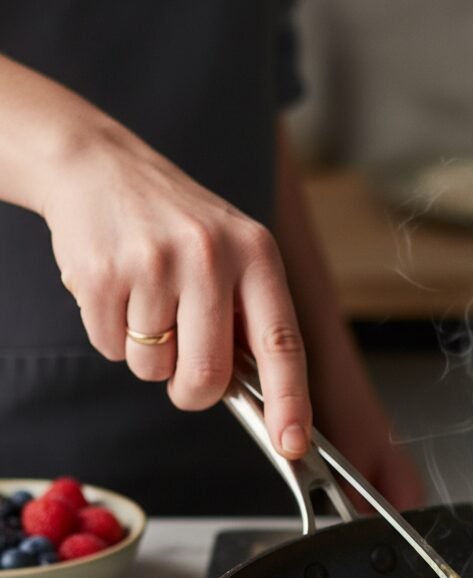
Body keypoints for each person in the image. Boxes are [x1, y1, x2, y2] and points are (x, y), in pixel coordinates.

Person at [0, 1, 423, 514]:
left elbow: (244, 84)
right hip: (25, 430)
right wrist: (80, 157)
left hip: (249, 428)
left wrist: (337, 376)